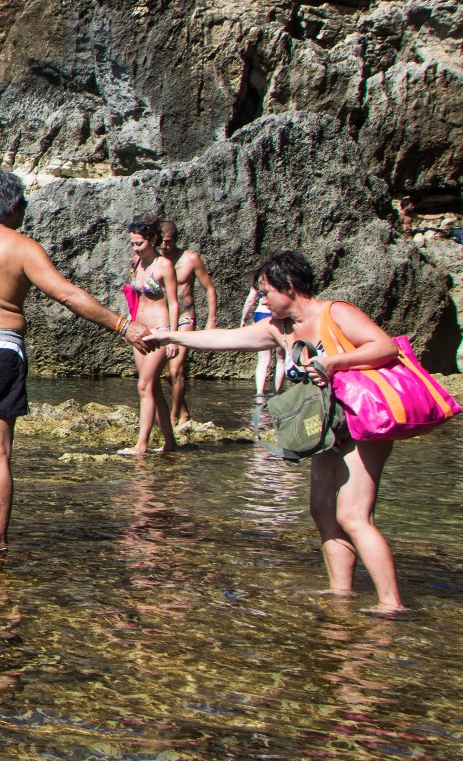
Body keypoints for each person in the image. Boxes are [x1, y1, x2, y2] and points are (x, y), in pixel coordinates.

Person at [144, 251, 411, 613]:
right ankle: (341, 593)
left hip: (364, 421)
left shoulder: (336, 312)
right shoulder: (278, 327)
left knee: (353, 515)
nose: (262, 300)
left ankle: (392, 603)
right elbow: (227, 338)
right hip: (327, 425)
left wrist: (332, 362)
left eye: (266, 292)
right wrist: (169, 336)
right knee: (320, 509)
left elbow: (385, 346)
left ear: (290, 287)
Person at [0, 173, 147, 548]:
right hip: (0, 350)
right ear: (11, 206)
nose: (24, 212)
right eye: (22, 205)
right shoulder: (22, 247)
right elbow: (68, 295)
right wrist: (122, 325)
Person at [118, 220, 182, 456]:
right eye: (133, 243)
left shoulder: (164, 265)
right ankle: (170, 441)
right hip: (140, 330)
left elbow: (175, 302)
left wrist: (173, 337)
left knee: (144, 384)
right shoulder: (136, 264)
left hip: (159, 330)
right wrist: (128, 327)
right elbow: (134, 299)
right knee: (152, 388)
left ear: (152, 241)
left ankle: (141, 444)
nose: (135, 248)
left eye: (140, 243)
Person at [157, 219, 218, 425]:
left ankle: (174, 418)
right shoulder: (156, 261)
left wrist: (211, 321)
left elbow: (209, 288)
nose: (165, 247)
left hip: (185, 318)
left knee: (176, 369)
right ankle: (184, 412)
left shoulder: (190, 259)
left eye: (169, 242)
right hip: (164, 320)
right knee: (167, 375)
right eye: (161, 242)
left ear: (176, 240)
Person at [242, 283, 287, 398]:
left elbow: (250, 300)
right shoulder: (283, 277)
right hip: (279, 314)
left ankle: (260, 392)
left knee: (262, 359)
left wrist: (244, 319)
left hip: (261, 314)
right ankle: (277, 393)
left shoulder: (260, 279)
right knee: (281, 359)